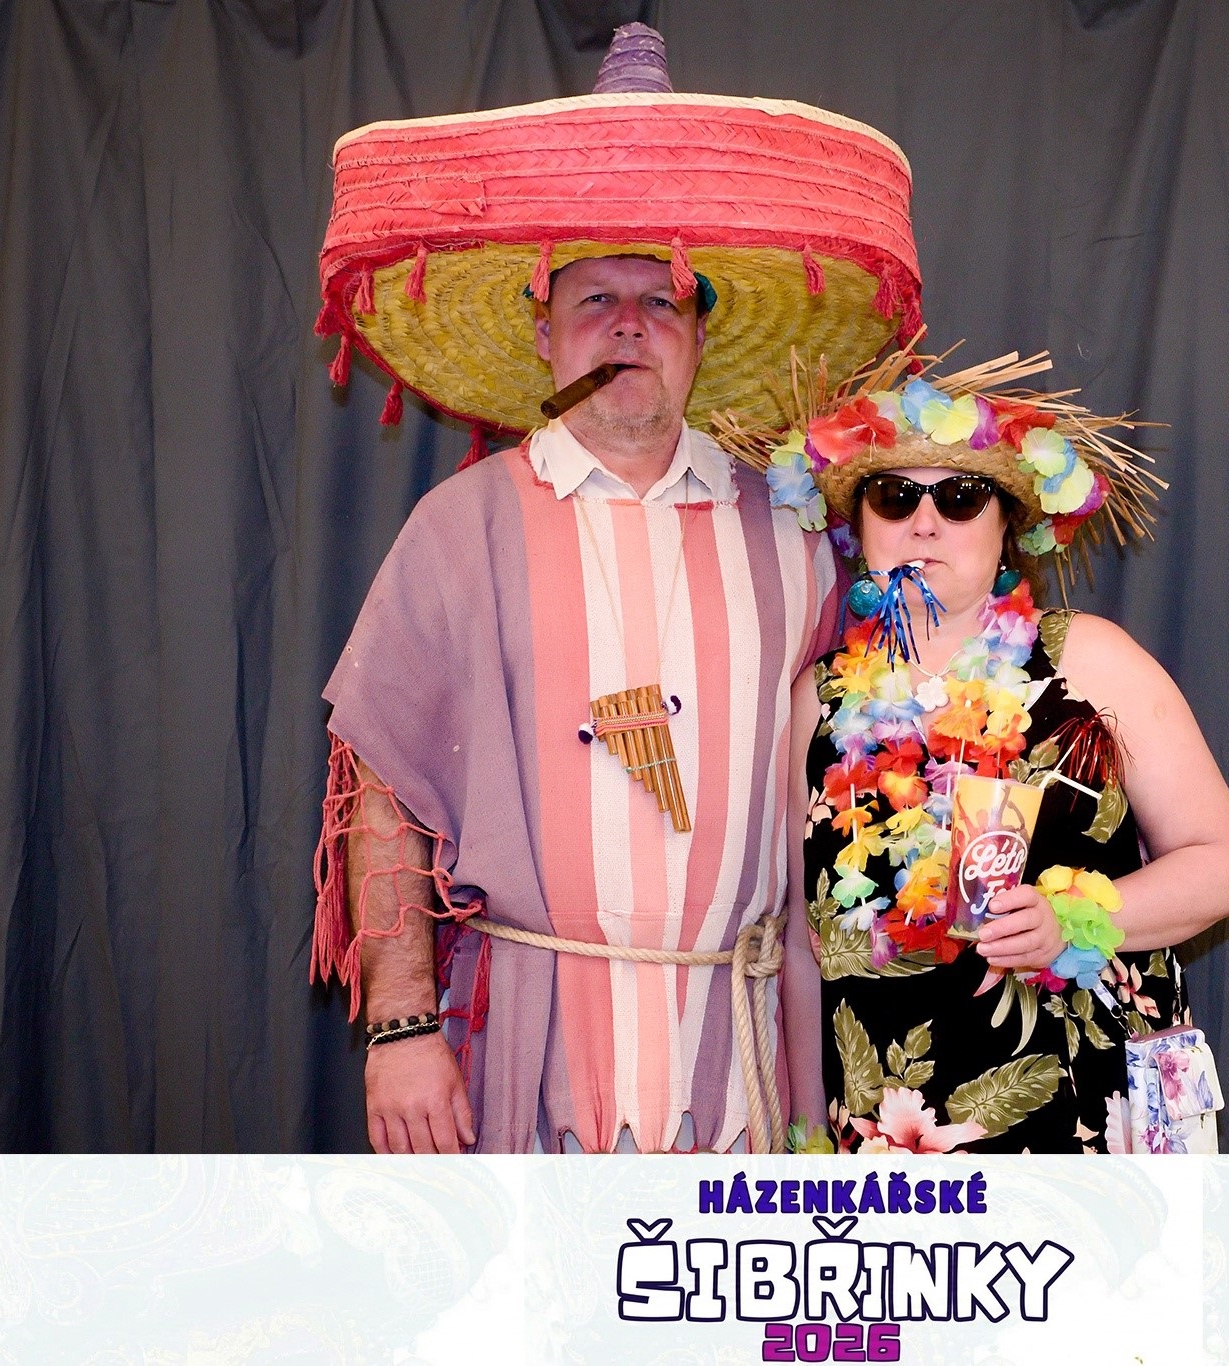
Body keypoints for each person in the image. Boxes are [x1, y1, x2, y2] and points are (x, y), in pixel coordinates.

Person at [307, 25, 923, 1153]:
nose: (630, 326)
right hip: (517, 1042)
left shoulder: (797, 534)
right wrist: (398, 1025)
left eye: (662, 301)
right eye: (596, 299)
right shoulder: (460, 528)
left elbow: (861, 772)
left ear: (699, 341)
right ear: (544, 335)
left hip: (742, 1049)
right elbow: (382, 789)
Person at [724, 349, 1229, 1152]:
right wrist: (807, 1141)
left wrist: (1074, 923)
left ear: (1006, 524)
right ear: (860, 525)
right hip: (887, 1147)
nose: (924, 522)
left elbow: (1228, 869)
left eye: (960, 497)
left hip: (1083, 1121)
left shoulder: (1088, 660)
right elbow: (807, 949)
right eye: (894, 496)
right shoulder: (820, 699)